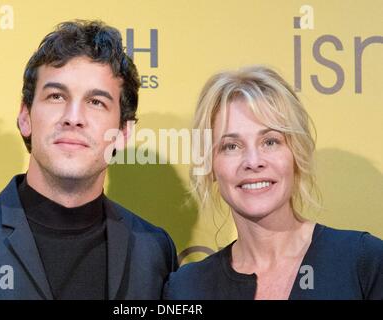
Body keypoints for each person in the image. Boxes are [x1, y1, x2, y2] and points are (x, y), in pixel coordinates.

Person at [0, 20, 178, 299]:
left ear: (123, 133)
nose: (73, 118)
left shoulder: (154, 252)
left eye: (96, 102)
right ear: (25, 117)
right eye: (56, 96)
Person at [164, 66, 383, 300]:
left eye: (270, 142)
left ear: (295, 153)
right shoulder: (188, 288)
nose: (253, 161)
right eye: (231, 146)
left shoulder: (362, 262)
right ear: (210, 165)